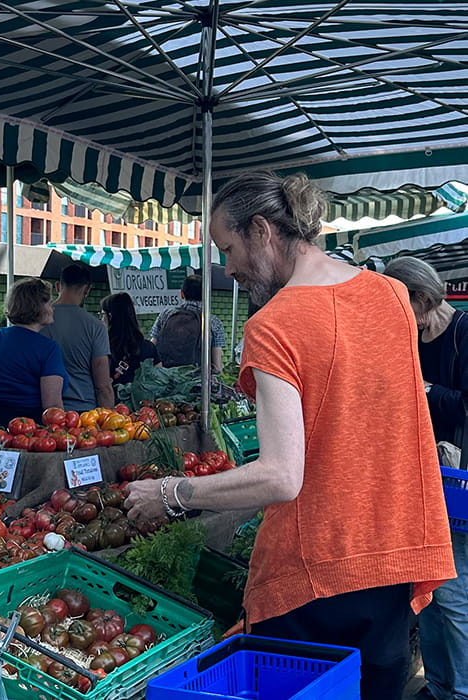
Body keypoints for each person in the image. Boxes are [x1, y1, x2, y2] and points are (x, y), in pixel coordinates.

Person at [123, 170, 456, 700]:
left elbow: (281, 476)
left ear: (262, 230)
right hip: (393, 552)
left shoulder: (275, 324)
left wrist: (172, 493)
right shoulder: (393, 296)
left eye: (227, 248)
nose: (227, 268)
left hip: (316, 570)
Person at [384, 256, 468, 700]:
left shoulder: (464, 333)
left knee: (453, 591)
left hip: (458, 486)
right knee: (429, 591)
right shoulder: (412, 337)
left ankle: (460, 691)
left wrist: (427, 390)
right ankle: (437, 686)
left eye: (400, 305)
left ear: (420, 299)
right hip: (420, 479)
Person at [0, 277, 67, 430]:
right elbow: (52, 406)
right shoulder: (48, 348)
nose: (53, 308)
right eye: (49, 303)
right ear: (37, 307)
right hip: (33, 429)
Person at [41, 264, 114, 412]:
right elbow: (102, 386)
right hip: (83, 411)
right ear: (87, 289)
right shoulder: (96, 326)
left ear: (57, 286)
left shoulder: (38, 321)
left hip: (45, 410)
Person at [149, 274, 225, 373]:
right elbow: (217, 366)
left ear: (181, 294)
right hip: (197, 380)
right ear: (206, 295)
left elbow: (151, 348)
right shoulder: (213, 322)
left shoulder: (165, 315)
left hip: (166, 377)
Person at [100, 292, 161, 395]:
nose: (101, 319)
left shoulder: (102, 348)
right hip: (145, 407)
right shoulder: (149, 347)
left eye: (102, 314)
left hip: (109, 408)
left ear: (109, 317)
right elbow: (159, 379)